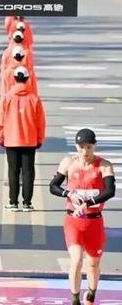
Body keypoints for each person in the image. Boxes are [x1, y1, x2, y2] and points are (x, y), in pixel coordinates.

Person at [49, 128, 116, 305]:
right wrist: (68, 194)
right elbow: (53, 186)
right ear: (76, 146)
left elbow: (110, 191)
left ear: (94, 146)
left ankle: (91, 295)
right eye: (81, 147)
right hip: (73, 221)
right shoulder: (68, 163)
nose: (85, 151)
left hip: (94, 222)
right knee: (77, 261)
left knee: (93, 265)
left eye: (89, 147)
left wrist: (89, 202)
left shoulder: (104, 165)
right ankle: (75, 300)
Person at [0, 66, 46, 211]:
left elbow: (0, 120)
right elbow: (41, 122)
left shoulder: (6, 98)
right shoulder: (34, 99)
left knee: (13, 171)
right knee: (28, 172)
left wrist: (0, 136)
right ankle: (27, 202)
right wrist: (40, 138)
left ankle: (13, 202)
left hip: (11, 140)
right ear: (27, 78)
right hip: (30, 140)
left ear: (14, 78)